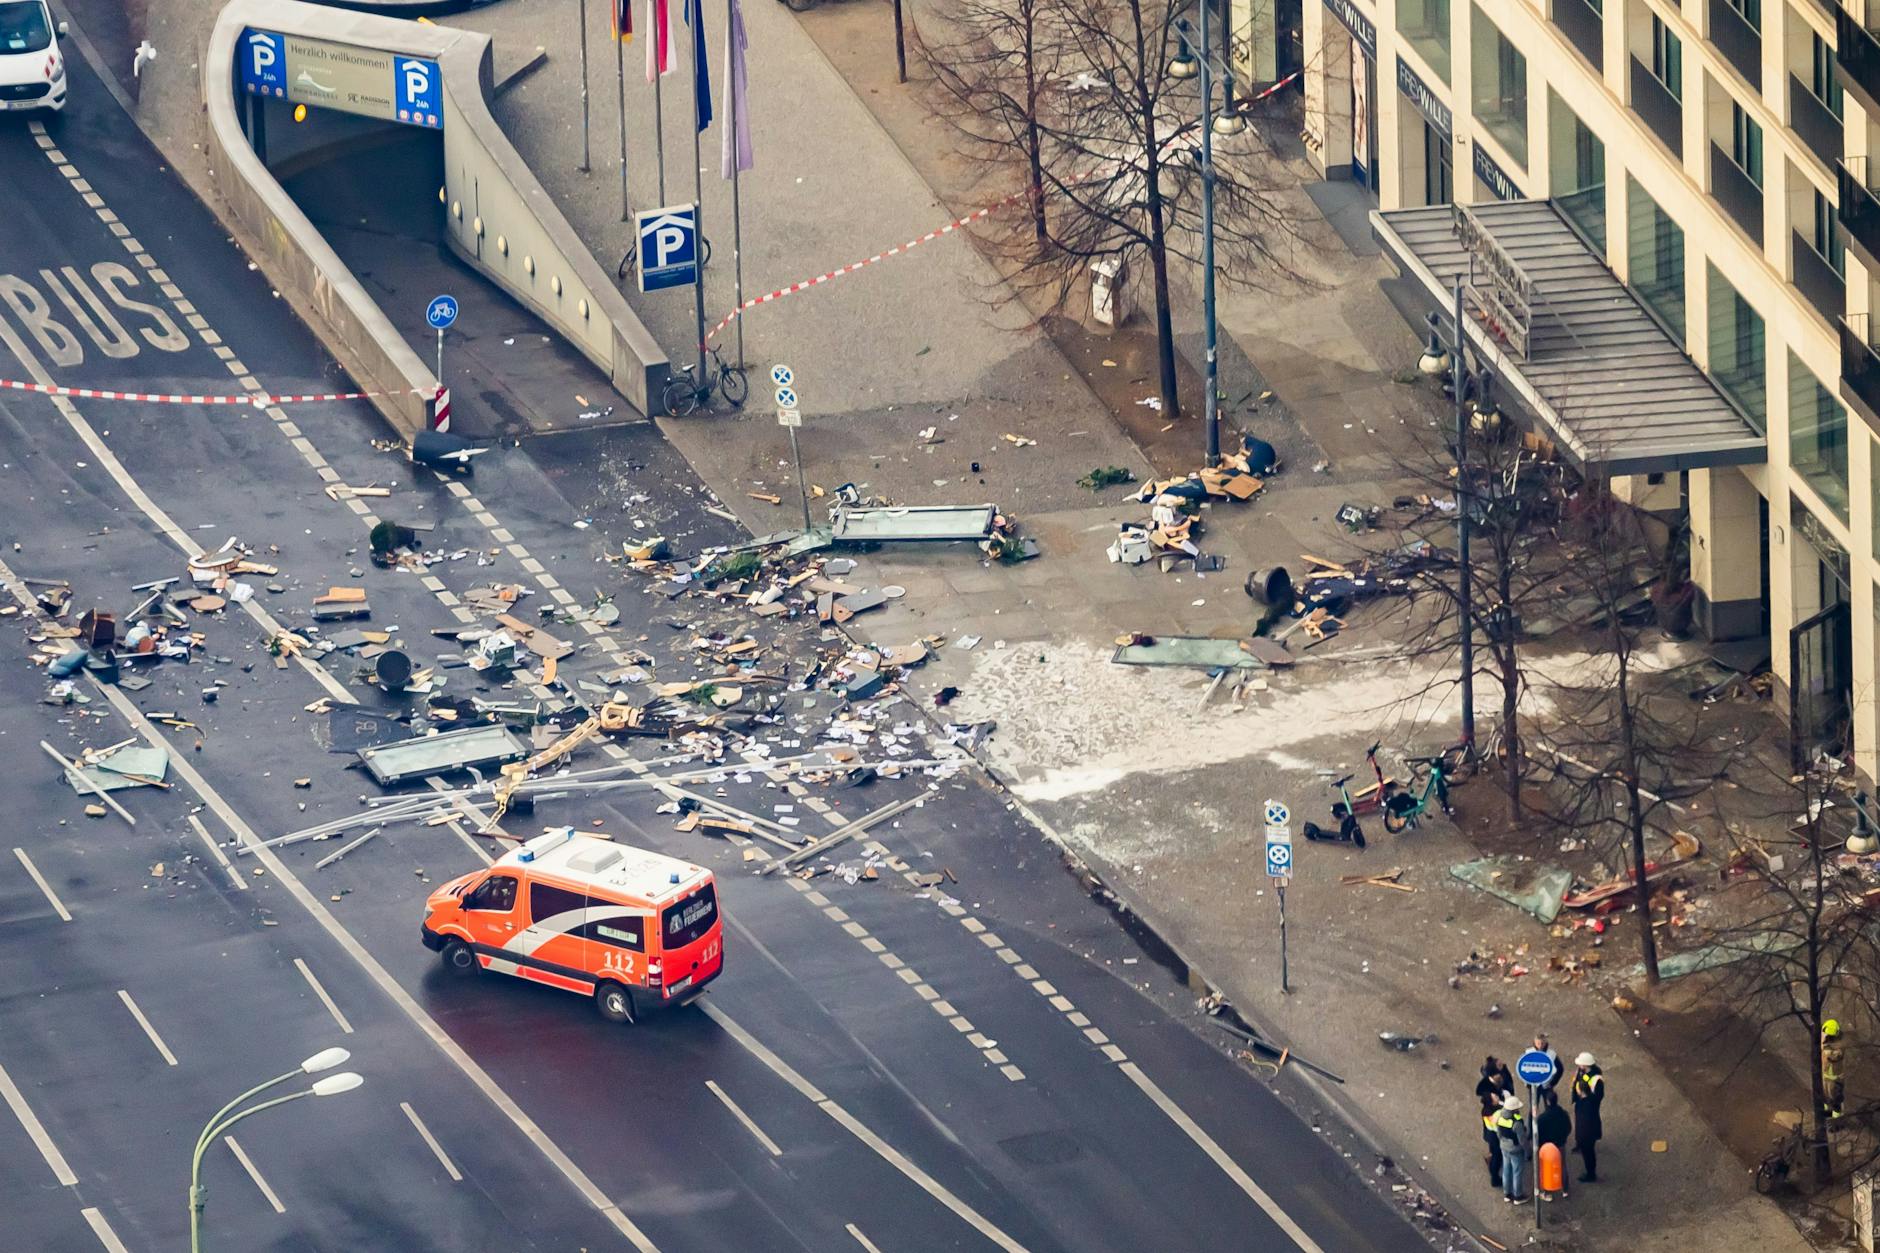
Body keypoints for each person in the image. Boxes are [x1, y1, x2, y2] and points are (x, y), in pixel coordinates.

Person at [1570, 1052, 1605, 1182]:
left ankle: (1591, 1174)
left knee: (1587, 1141)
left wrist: (1585, 1095)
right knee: (1579, 1124)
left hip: (1588, 1107)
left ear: (1586, 1065)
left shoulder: (1597, 1080)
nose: (1578, 1065)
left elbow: (1598, 1097)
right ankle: (1580, 1143)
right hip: (1581, 1103)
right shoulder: (1582, 1071)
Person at [1493, 1092, 1530, 1202]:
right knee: (1517, 1172)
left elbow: (1498, 1133)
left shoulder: (1500, 1116)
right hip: (1515, 1150)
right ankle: (1518, 1196)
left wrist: (1503, 1142)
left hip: (1504, 1147)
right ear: (1514, 1109)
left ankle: (1507, 1193)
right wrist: (1528, 1152)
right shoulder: (1517, 1123)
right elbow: (1522, 1140)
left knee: (1506, 1169)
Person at [1536, 1089, 1572, 1200]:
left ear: (1547, 1101)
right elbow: (1568, 1127)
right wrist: (1563, 1138)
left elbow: (1539, 1133)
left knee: (1547, 1168)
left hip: (1547, 1147)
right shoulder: (1563, 1114)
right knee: (1562, 1166)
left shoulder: (1542, 1118)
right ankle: (1565, 1190)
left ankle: (1548, 1192)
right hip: (1560, 1144)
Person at [1479, 1091, 1504, 1188]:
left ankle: (1490, 1160)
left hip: (1489, 1135)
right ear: (1492, 1102)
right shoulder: (1497, 1113)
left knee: (1493, 1152)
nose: (1497, 1097)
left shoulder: (1485, 1110)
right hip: (1496, 1138)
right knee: (1496, 1158)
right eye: (1495, 1097)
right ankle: (1495, 1178)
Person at [1823, 1020, 1846, 1119]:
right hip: (1826, 1077)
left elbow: (1835, 1056)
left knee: (1836, 1100)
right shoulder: (1826, 1042)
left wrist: (1827, 1048)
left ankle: (1837, 1121)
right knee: (1826, 1099)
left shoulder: (1839, 1045)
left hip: (1836, 1079)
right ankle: (1828, 1116)